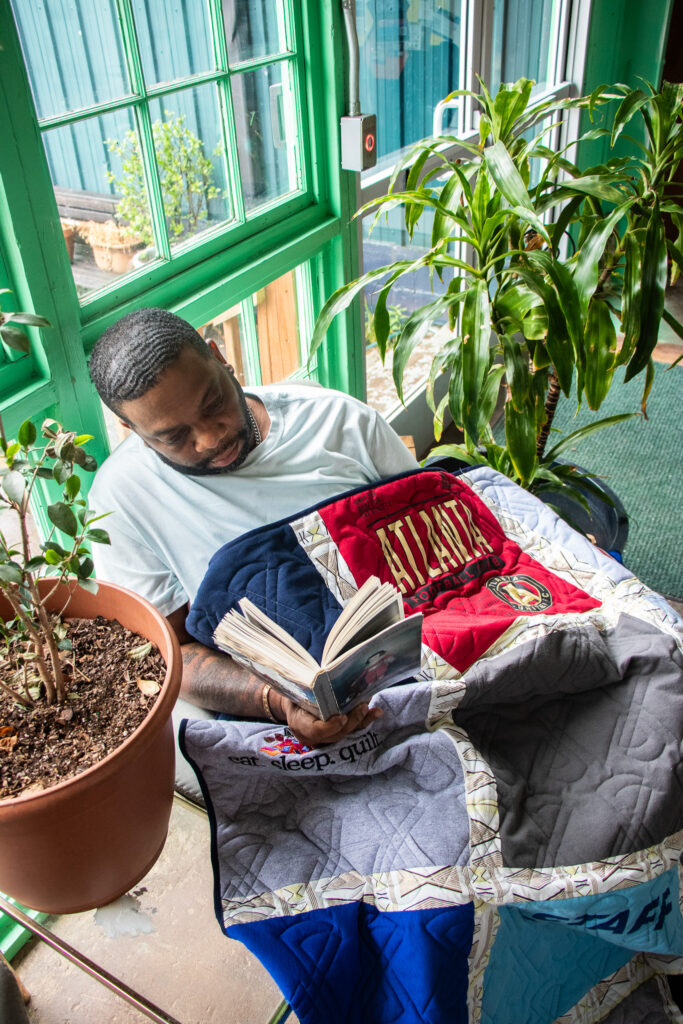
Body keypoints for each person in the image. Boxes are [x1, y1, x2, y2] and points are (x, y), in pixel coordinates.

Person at [88, 308, 419, 747]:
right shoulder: (123, 499)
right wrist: (280, 702)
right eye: (174, 437)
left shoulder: (340, 422)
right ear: (131, 429)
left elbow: (429, 536)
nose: (210, 438)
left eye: (213, 404)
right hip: (287, 708)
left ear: (219, 357)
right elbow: (170, 653)